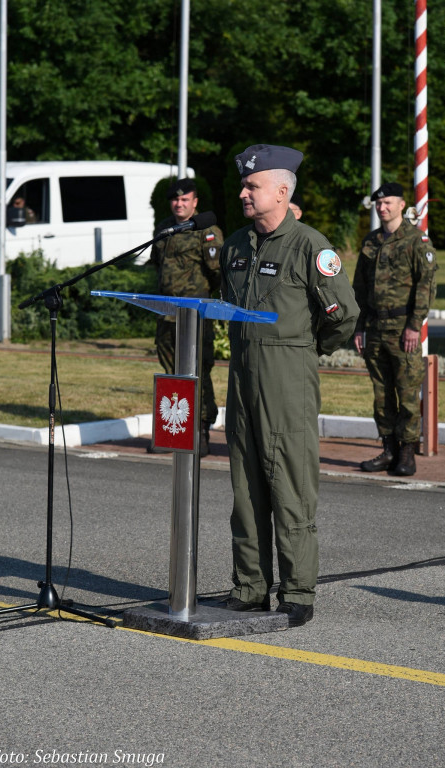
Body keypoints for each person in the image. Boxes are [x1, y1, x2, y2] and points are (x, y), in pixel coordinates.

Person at [219, 144, 359, 627]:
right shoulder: (236, 244)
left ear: (282, 191)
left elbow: (344, 315)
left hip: (288, 373)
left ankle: (297, 590)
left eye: (252, 186)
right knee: (246, 484)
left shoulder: (309, 246)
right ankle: (250, 587)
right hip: (241, 373)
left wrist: (303, 348)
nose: (244, 193)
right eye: (244, 185)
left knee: (290, 484)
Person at [352, 182, 438, 477]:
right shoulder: (371, 242)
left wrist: (415, 326)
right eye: (378, 203)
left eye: (388, 203)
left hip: (404, 330)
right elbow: (359, 290)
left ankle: (407, 452)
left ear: (402, 205)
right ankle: (388, 449)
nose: (382, 207)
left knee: (407, 393)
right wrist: (359, 328)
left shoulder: (416, 241)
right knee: (381, 394)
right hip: (375, 327)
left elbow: (426, 287)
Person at [149, 178, 224, 456]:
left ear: (195, 202)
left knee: (198, 372)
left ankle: (202, 432)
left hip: (195, 316)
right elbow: (157, 267)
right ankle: (173, 431)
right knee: (171, 374)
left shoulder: (207, 231)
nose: (179, 204)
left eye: (185, 199)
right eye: (175, 200)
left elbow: (218, 273)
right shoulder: (164, 229)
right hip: (166, 315)